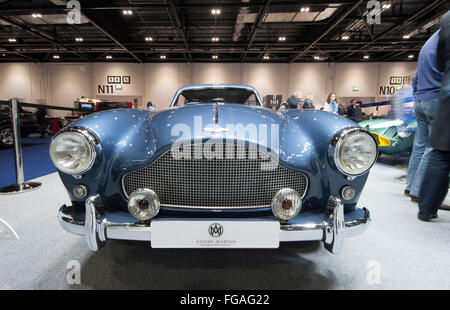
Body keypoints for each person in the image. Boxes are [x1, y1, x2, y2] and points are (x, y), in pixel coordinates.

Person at [404, 29, 444, 203]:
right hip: (437, 98)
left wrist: (418, 96)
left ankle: (410, 186)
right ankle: (420, 191)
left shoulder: (430, 41)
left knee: (420, 145)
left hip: (420, 99)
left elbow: (415, 78)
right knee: (434, 147)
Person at [417, 10, 450, 221]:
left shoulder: (445, 20)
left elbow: (440, 60)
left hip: (437, 93)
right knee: (435, 150)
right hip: (435, 95)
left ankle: (425, 204)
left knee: (436, 150)